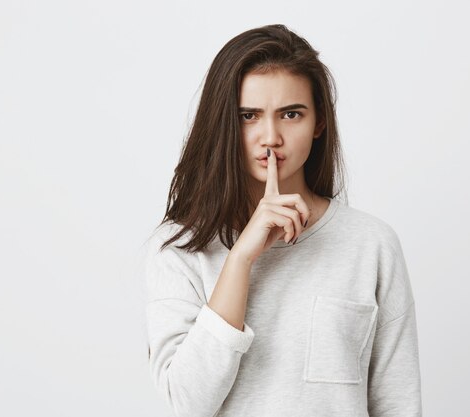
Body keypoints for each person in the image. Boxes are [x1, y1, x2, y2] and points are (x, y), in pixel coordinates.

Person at [140, 24, 422, 417]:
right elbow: (189, 403)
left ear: (319, 123)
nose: (270, 136)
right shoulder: (180, 248)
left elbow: (398, 403)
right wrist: (240, 259)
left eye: (291, 114)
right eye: (248, 116)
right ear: (223, 123)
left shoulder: (371, 244)